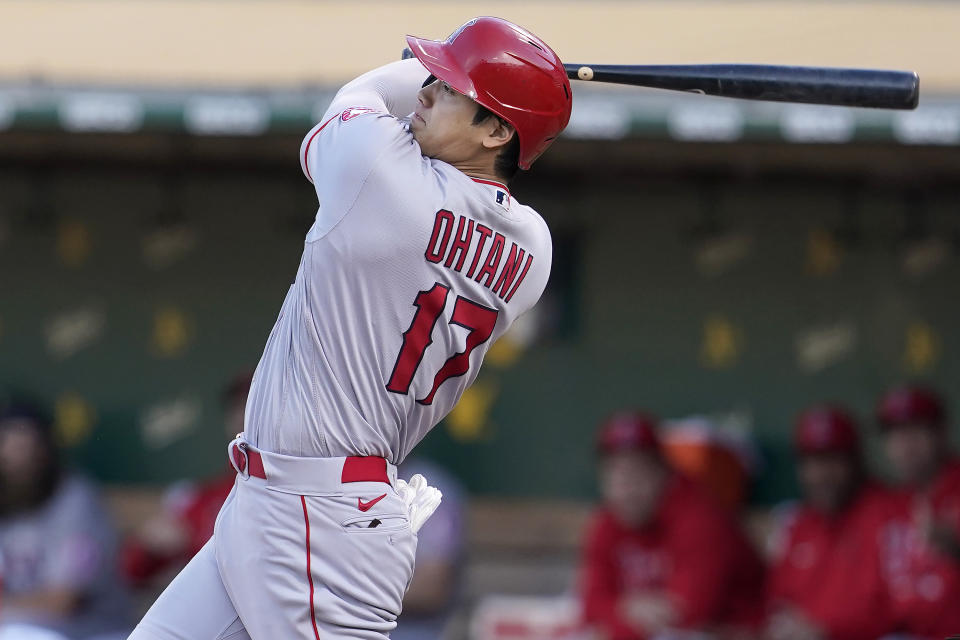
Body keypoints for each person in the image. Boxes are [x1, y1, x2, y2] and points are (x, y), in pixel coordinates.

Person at [130, 16, 571, 640]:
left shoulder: (378, 171)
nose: (424, 91)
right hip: (288, 501)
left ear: (497, 129)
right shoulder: (533, 247)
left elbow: (366, 94)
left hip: (322, 517)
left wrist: (479, 68)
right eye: (435, 80)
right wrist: (491, 77)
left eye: (444, 87)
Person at [579, 412, 765, 640]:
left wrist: (617, 613)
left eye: (637, 472)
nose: (625, 488)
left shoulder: (700, 517)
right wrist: (623, 609)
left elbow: (688, 613)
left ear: (663, 473)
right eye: (614, 474)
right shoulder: (608, 522)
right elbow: (589, 604)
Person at [0, 403, 131, 639]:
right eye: (10, 450)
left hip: (94, 630)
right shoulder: (7, 503)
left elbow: (63, 601)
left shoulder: (76, 503)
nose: (19, 460)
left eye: (28, 447)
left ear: (45, 451)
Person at [766, 405, 894, 640]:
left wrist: (826, 632)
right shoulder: (800, 524)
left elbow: (897, 610)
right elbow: (777, 601)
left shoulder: (888, 513)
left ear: (857, 461)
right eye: (811, 462)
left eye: (832, 460)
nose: (820, 475)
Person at [121, 373, 252, 588]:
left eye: (253, 406)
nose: (244, 417)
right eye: (238, 409)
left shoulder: (308, 488)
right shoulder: (208, 496)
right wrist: (150, 548)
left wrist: (192, 543)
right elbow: (133, 568)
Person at [876, 385, 960, 639]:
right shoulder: (887, 504)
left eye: (915, 430)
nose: (905, 445)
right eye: (895, 433)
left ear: (941, 432)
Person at [390, 457, 465, 640]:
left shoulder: (430, 488)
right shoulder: (338, 483)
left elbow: (431, 588)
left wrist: (353, 590)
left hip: (412, 632)